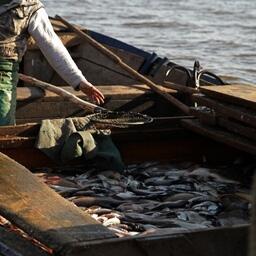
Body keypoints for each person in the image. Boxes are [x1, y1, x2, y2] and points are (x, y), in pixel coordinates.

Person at [0, 0, 104, 126]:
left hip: (4, 76)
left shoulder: (30, 8)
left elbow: (52, 47)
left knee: (3, 124)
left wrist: (78, 81)